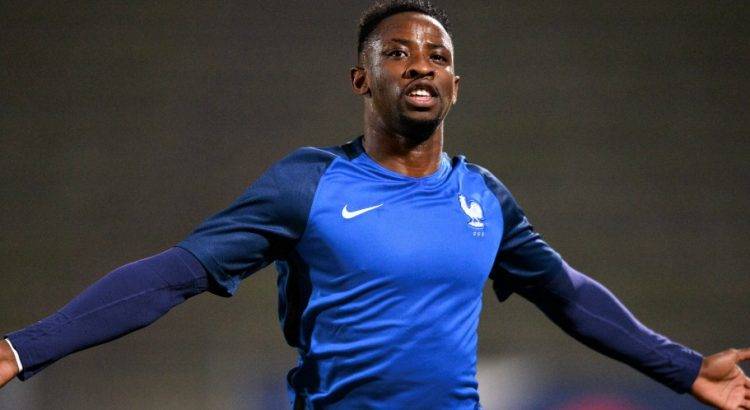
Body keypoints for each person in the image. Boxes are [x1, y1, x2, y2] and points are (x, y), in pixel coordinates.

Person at [1, 1, 748, 409]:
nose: (421, 64)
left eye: (438, 57)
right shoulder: (307, 183)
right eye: (397, 52)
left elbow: (570, 297)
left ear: (454, 86)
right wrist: (23, 349)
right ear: (362, 80)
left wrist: (685, 369)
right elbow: (173, 275)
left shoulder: (484, 197)